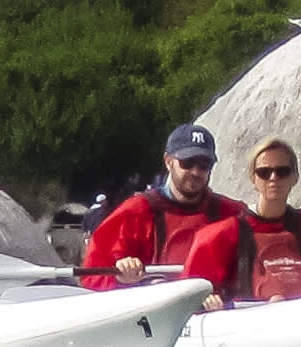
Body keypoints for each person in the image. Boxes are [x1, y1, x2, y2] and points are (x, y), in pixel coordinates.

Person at [179, 138, 301, 308]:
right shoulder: (219, 236)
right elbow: (188, 297)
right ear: (253, 179)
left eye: (283, 171)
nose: (274, 178)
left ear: (294, 177)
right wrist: (209, 301)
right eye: (264, 172)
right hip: (249, 326)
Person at [79, 124, 243, 290]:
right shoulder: (135, 213)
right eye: (188, 163)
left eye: (204, 165)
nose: (196, 171)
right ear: (168, 162)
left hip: (215, 311)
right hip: (155, 311)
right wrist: (121, 277)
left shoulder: (233, 214)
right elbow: (91, 275)